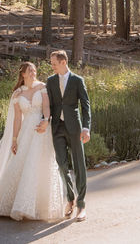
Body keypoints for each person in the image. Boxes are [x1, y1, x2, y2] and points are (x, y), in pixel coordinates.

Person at [0, 62, 67, 221]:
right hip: (26, 132)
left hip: (41, 129)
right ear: (23, 74)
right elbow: (18, 119)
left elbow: (46, 106)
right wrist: (14, 139)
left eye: (34, 70)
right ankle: (17, 203)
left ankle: (40, 206)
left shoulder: (42, 87)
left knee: (40, 163)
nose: (33, 72)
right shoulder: (17, 94)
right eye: (29, 70)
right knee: (23, 163)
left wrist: (46, 120)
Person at [47, 49, 91, 221]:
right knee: (62, 164)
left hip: (75, 128)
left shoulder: (77, 80)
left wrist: (86, 128)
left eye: (54, 63)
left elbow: (86, 106)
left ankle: (81, 205)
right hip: (57, 127)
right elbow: (48, 105)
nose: (52, 66)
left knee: (79, 165)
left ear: (63, 62)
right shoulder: (50, 81)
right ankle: (70, 198)